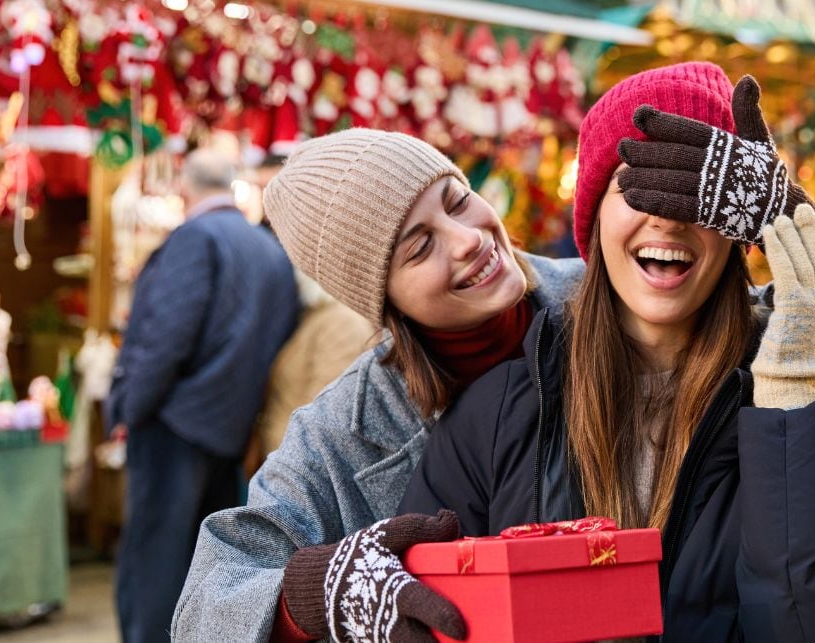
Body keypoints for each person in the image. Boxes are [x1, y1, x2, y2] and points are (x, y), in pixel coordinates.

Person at [393, 65, 815, 641]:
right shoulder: (498, 412)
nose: (666, 214)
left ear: (738, 229)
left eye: (694, 188)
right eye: (635, 184)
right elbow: (426, 608)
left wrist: (791, 398)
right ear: (594, 218)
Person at [172, 129, 585, 642]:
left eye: (458, 202)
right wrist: (316, 593)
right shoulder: (347, 429)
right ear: (382, 297)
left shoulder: (607, 303)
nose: (468, 239)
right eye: (420, 247)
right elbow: (201, 613)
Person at [107, 149, 300, 643]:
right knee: (208, 563)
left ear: (182, 188)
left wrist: (130, 408)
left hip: (174, 421)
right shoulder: (269, 250)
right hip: (231, 425)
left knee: (156, 561)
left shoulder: (195, 238)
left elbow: (164, 339)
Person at [255, 270, 375, 458]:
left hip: (297, 467)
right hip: (284, 462)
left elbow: (324, 412)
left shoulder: (342, 323)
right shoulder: (320, 317)